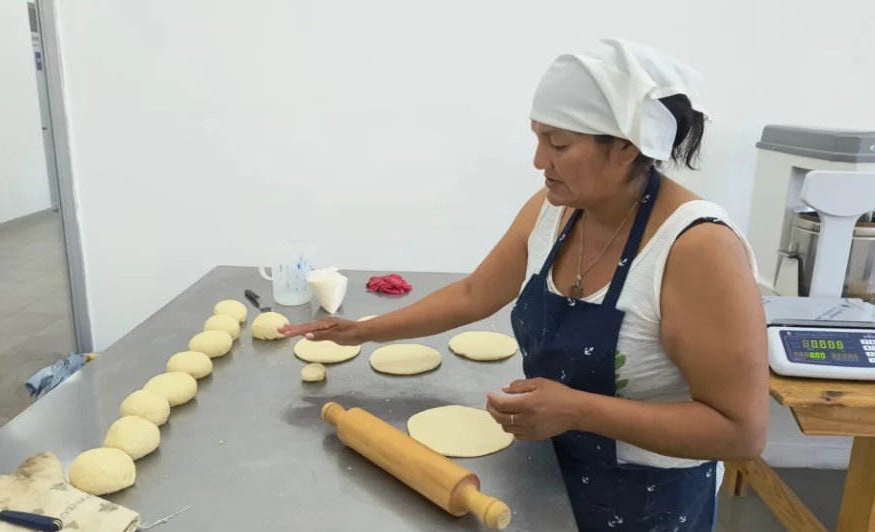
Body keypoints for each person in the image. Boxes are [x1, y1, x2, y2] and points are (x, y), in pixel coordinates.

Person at [281, 39, 768, 531]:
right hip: (544, 474)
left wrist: (578, 410)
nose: (539, 161)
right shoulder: (554, 211)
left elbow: (740, 431)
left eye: (558, 144)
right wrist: (363, 331)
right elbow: (474, 295)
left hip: (646, 503)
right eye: (537, 138)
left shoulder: (695, 248)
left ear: (626, 146)